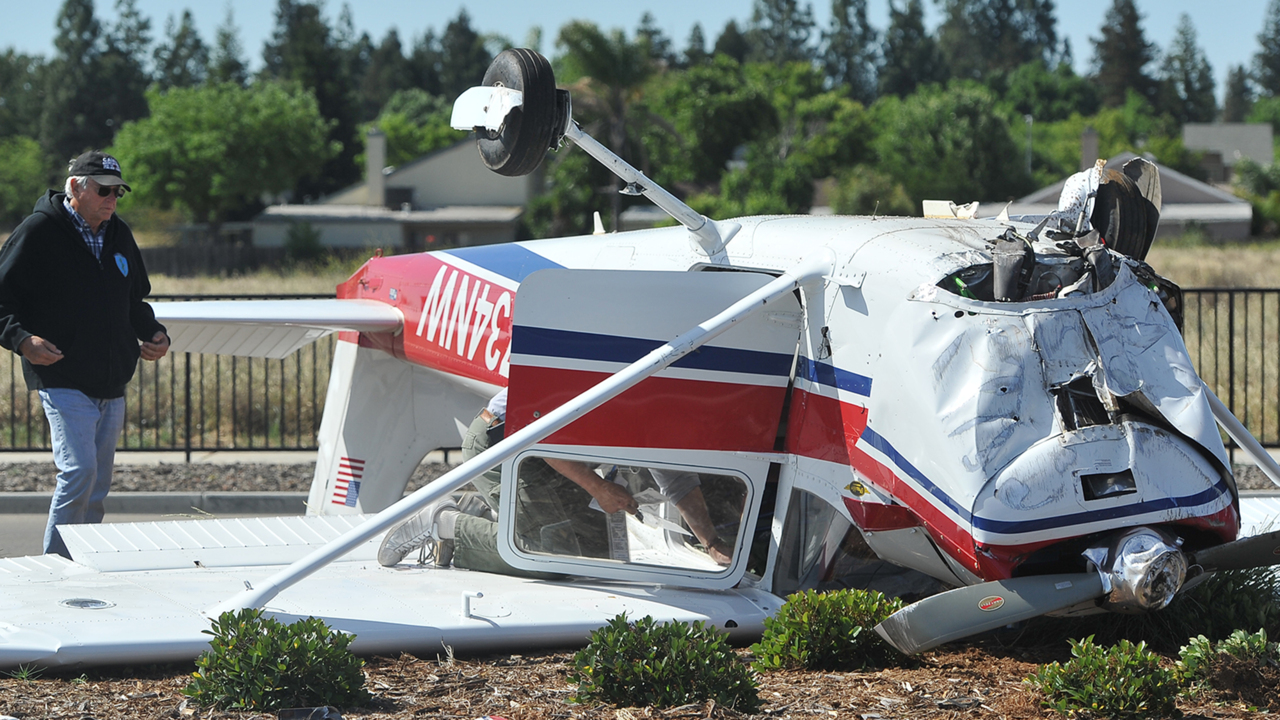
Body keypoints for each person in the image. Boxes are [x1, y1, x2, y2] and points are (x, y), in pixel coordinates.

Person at [0, 150, 169, 558]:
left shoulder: (119, 233)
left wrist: (154, 332)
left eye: (117, 192)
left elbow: (134, 301)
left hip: (112, 379)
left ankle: (84, 563)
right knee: (80, 471)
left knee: (97, 484)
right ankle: (54, 570)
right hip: (60, 374)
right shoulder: (39, 231)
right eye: (104, 190)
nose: (112, 198)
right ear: (76, 187)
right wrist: (23, 340)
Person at [379, 387, 734, 571]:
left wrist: (712, 542)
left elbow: (677, 480)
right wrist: (599, 488)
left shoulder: (664, 408)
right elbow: (538, 432)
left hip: (549, 454)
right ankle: (444, 523)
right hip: (507, 443)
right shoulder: (644, 396)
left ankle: (488, 515)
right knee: (548, 559)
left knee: (598, 557)